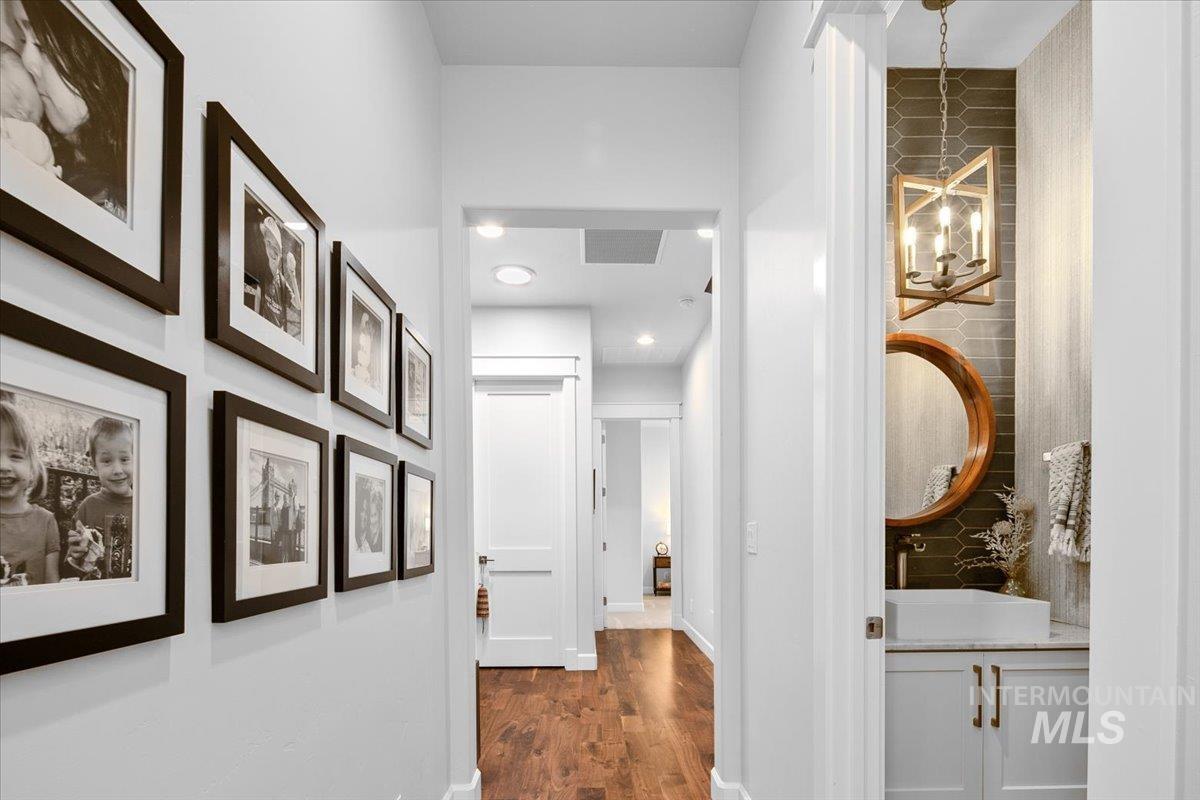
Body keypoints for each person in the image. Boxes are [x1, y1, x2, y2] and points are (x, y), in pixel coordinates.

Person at [0, 400, 59, 585]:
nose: (3, 466)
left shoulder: (46, 522)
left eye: (15, 456)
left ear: (33, 468)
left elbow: (52, 584)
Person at [69, 416, 134, 580]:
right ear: (93, 464)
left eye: (125, 459)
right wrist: (75, 555)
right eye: (107, 460)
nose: (118, 469)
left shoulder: (147, 506)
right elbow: (72, 568)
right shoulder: (87, 507)